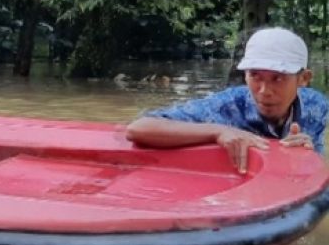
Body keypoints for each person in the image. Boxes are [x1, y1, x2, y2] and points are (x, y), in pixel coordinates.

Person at [126, 27, 328, 173]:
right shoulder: (226, 106)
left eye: (278, 78)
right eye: (255, 76)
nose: (265, 91)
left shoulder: (317, 107)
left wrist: (308, 157)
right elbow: (139, 128)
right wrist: (218, 131)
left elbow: (316, 170)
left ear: (304, 79)